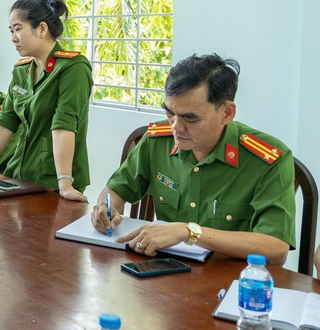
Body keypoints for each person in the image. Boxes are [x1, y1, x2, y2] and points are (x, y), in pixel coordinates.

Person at [91, 54, 295, 264]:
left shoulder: (267, 159)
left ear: (227, 113)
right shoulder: (158, 140)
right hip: (162, 273)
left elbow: (276, 248)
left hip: (230, 281)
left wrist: (190, 232)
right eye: (170, 113)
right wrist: (106, 208)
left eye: (190, 118)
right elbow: (116, 189)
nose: (176, 126)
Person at [0, 0, 92, 202]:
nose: (13, 37)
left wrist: (65, 183)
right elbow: (5, 121)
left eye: (18, 29)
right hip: (19, 176)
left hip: (53, 182)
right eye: (11, 31)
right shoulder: (23, 70)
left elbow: (64, 125)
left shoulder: (73, 68)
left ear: (42, 29)